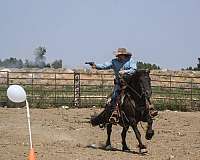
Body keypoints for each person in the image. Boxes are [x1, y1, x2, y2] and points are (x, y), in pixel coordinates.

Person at [90, 48, 137, 123]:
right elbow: (104, 65)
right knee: (115, 96)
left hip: (131, 83)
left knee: (141, 92)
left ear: (124, 55)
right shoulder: (114, 62)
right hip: (120, 83)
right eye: (118, 55)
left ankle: (149, 108)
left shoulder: (130, 61)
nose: (119, 56)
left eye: (120, 55)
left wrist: (125, 71)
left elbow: (134, 69)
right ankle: (114, 112)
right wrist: (95, 65)